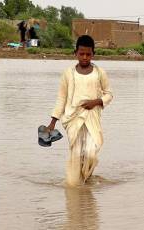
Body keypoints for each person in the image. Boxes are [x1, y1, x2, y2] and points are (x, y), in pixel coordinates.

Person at [47, 35, 113, 186]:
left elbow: (109, 94)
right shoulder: (68, 74)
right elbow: (61, 99)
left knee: (90, 152)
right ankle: (78, 189)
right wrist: (52, 123)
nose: (84, 57)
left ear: (93, 54)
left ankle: (86, 177)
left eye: (88, 54)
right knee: (77, 154)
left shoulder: (99, 73)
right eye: (81, 54)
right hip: (73, 119)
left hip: (92, 117)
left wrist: (96, 101)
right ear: (75, 53)